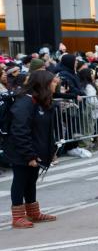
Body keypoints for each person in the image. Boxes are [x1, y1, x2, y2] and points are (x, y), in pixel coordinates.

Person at [6, 70, 59, 228]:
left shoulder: (41, 101)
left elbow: (43, 131)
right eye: (53, 82)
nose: (56, 83)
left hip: (34, 151)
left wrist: (50, 151)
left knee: (31, 181)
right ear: (43, 84)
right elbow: (20, 130)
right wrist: (29, 156)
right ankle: (18, 217)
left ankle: (33, 212)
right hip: (21, 152)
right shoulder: (25, 102)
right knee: (20, 181)